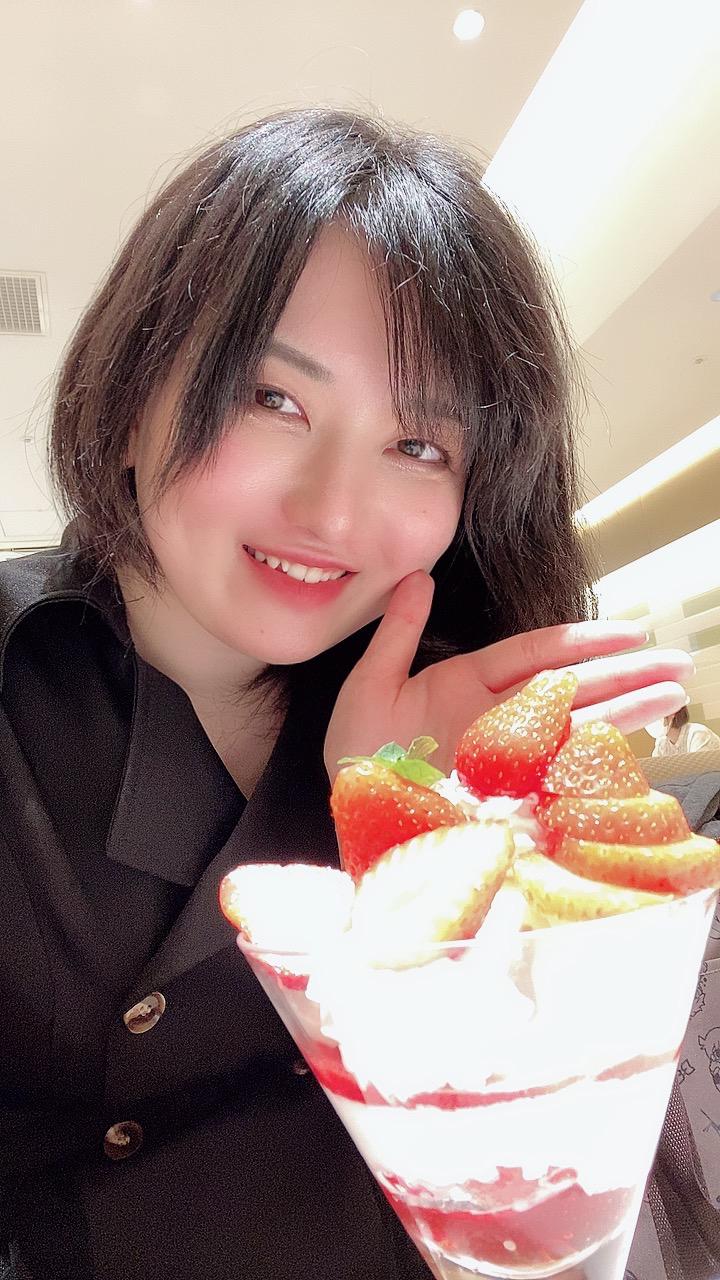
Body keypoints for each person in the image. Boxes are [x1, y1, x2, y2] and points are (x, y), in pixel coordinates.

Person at [0, 106, 700, 1280]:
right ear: (131, 400)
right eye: (272, 398)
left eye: (419, 446)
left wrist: (398, 817)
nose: (331, 511)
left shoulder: (461, 728)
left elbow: (571, 1175)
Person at [652, 704, 720, 757]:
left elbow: (699, 768)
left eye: (655, 714)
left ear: (672, 713)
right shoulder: (661, 742)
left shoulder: (698, 734)